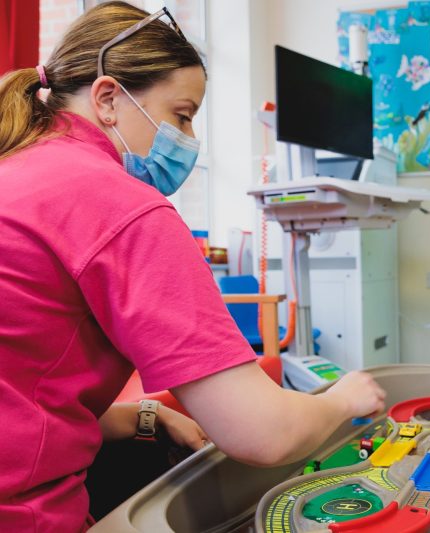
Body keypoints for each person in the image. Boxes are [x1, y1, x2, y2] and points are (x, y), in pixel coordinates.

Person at [0, 3, 385, 532]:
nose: (189, 138)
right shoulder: (120, 204)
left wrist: (139, 416)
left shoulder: (17, 169)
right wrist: (344, 399)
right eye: (182, 115)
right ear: (109, 98)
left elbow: (19, 388)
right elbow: (262, 433)